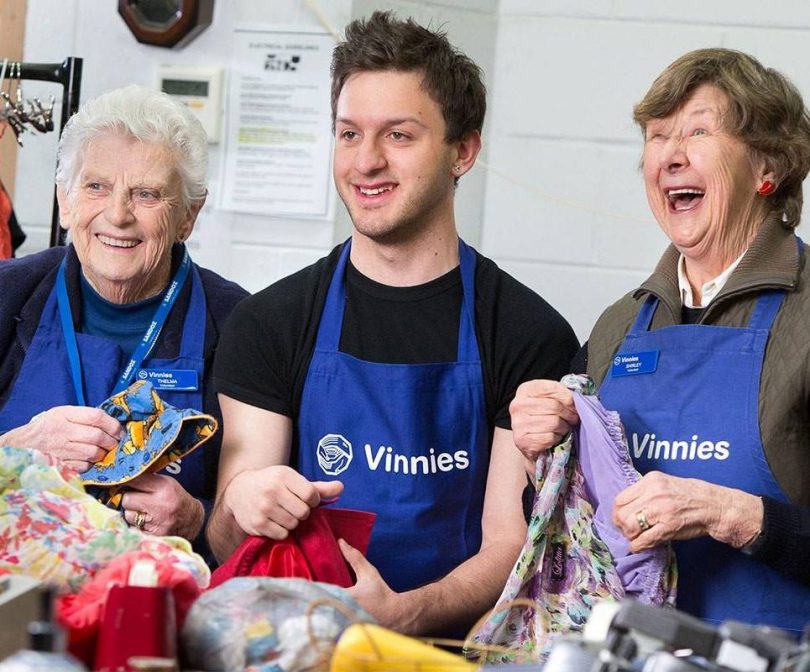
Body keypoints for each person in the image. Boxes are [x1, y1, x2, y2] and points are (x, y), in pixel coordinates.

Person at [208, 11, 578, 636]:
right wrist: (244, 503)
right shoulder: (268, 324)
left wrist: (404, 615)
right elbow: (223, 539)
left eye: (399, 136)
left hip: (449, 653)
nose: (367, 161)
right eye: (349, 134)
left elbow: (510, 545)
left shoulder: (528, 333)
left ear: (463, 151)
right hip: (299, 648)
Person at [510, 48, 810, 632]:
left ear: (767, 167)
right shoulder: (617, 326)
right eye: (657, 135)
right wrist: (543, 464)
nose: (671, 155)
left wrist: (732, 514)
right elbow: (569, 542)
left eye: (699, 131)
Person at [0, 85, 248, 557]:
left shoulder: (242, 326)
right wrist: (14, 450)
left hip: (157, 597)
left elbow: (264, 511)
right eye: (96, 187)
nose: (118, 214)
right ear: (65, 201)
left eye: (147, 194)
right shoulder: (6, 294)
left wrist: (197, 518)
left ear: (188, 216)